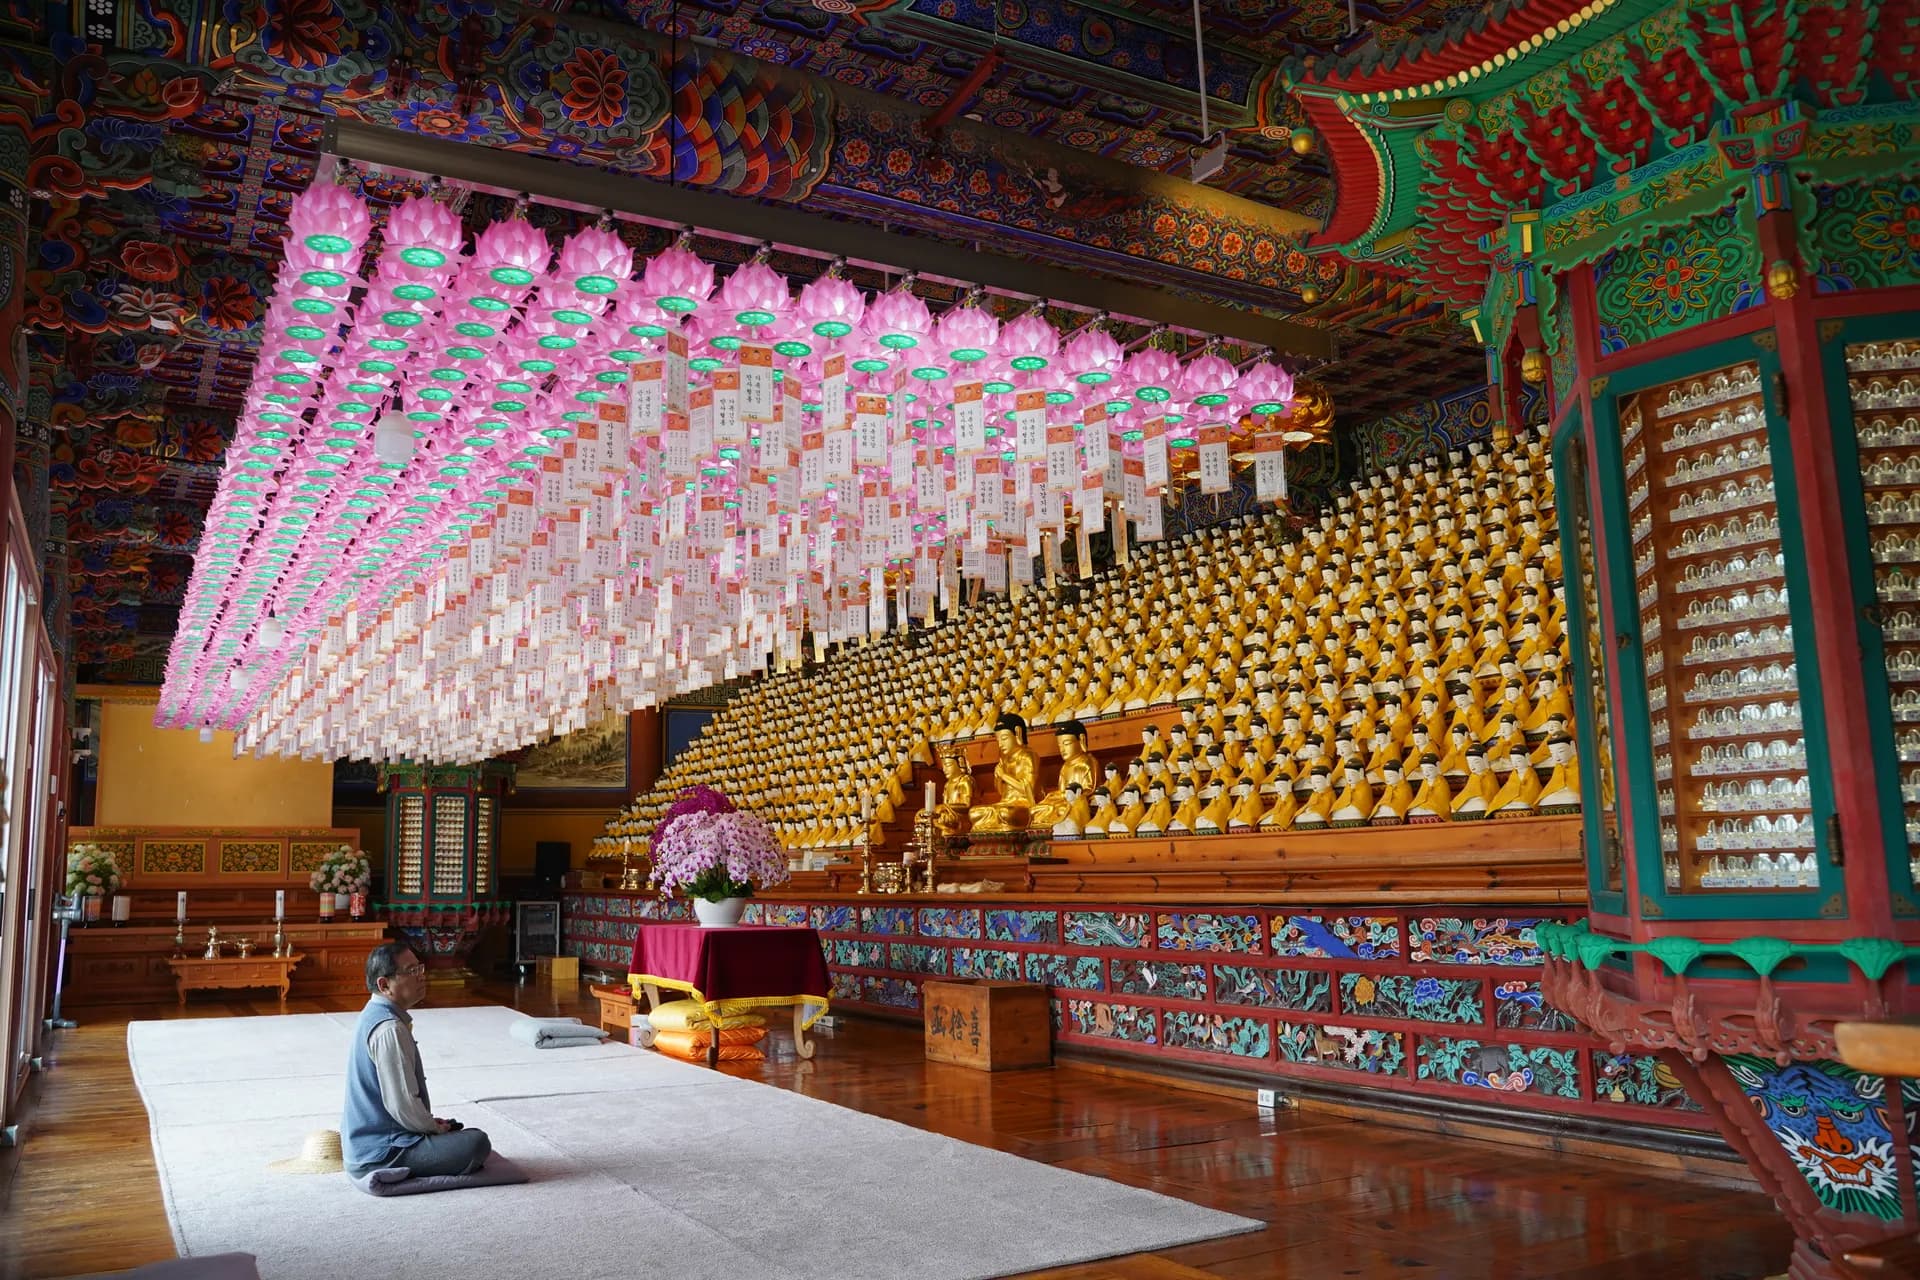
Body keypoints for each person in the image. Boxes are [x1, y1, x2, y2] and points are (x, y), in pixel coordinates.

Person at [342, 942, 491, 1179]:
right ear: (384, 984)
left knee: (457, 1132)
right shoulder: (389, 1028)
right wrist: (432, 1127)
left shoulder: (372, 1014)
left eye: (420, 969)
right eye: (412, 971)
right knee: (477, 1142)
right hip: (382, 1153)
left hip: (373, 1144)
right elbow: (402, 1107)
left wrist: (433, 1124)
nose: (422, 977)